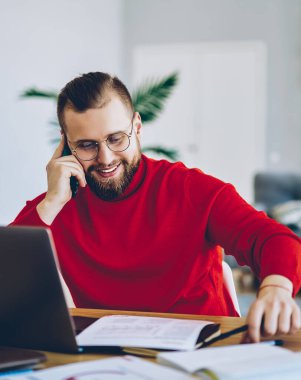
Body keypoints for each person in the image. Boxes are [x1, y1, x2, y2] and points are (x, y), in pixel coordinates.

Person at [12, 72, 301, 343]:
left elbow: (274, 238)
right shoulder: (55, 205)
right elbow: (8, 277)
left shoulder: (191, 189)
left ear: (137, 127)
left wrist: (276, 288)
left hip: (202, 352)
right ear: (65, 145)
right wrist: (51, 203)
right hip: (106, 361)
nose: (105, 157)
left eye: (116, 138)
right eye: (87, 145)